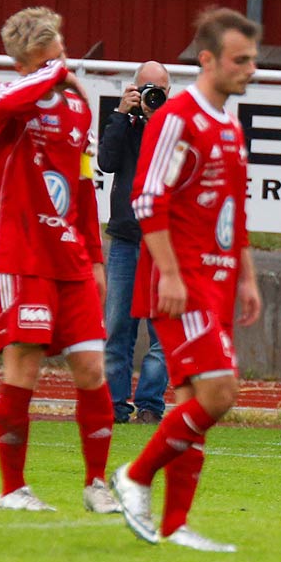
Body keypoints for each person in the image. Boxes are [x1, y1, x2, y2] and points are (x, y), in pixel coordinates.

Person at [111, 8, 263, 553]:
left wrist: (247, 279)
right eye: (239, 60)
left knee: (190, 400)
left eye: (253, 60)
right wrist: (170, 274)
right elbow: (147, 199)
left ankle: (176, 525)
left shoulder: (228, 124)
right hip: (183, 280)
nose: (249, 69)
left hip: (217, 281)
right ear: (207, 59)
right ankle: (136, 476)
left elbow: (234, 213)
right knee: (220, 393)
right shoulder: (178, 116)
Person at [0, 7, 119, 515]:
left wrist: (96, 258)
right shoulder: (3, 98)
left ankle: (96, 483)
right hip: (21, 255)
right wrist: (54, 70)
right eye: (56, 48)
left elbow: (82, 185)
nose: (66, 56)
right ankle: (12, 488)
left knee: (90, 365)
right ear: (35, 55)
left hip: (72, 258)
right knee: (26, 367)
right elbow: (11, 95)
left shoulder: (78, 108)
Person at [98, 61, 171, 425]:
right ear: (134, 90)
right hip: (127, 237)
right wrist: (121, 115)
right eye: (147, 90)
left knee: (163, 329)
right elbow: (107, 162)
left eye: (160, 91)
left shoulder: (176, 127)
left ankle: (150, 405)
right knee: (116, 325)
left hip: (164, 242)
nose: (152, 98)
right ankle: (113, 404)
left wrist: (159, 120)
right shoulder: (124, 124)